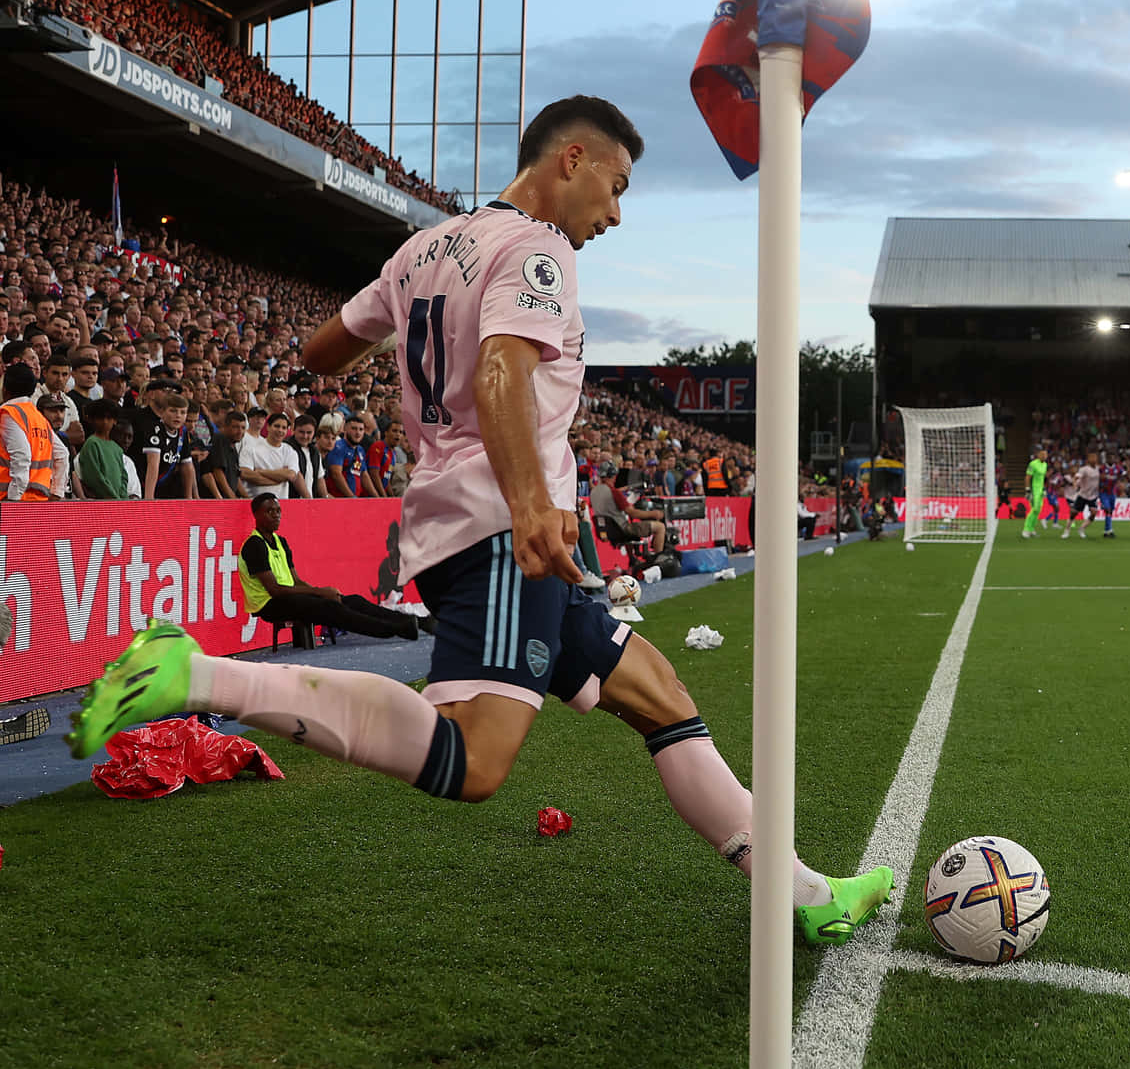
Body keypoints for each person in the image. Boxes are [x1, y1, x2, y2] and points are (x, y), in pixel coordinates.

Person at [67, 94, 892, 946]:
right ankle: (199, 676)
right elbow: (501, 372)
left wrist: (412, 348)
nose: (615, 212)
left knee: (659, 694)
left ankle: (801, 892)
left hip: (473, 519)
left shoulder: (423, 249)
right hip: (500, 527)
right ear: (569, 159)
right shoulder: (538, 251)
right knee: (475, 760)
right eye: (615, 186)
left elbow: (320, 351)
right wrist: (532, 505)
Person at [235, 493, 428, 640]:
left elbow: (295, 580)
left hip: (289, 595)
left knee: (350, 600)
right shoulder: (254, 545)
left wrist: (321, 592)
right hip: (269, 604)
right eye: (270, 511)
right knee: (329, 607)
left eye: (278, 511)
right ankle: (394, 630)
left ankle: (414, 622)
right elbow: (275, 591)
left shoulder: (280, 541)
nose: (276, 515)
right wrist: (319, 593)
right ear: (256, 515)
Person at [1, 364, 58, 501]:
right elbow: (62, 454)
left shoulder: (9, 414)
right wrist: (56, 493)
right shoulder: (38, 417)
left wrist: (13, 499)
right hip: (38, 499)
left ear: (5, 390)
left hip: (10, 499)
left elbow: (21, 456)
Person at [238, 411, 308, 499]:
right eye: (277, 426)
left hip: (281, 504)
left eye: (284, 428)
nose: (280, 430)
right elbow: (245, 474)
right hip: (255, 503)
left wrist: (261, 471)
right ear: (268, 427)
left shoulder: (289, 451)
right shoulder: (251, 448)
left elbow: (291, 475)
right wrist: (280, 478)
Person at [140, 392, 196, 499]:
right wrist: (149, 498)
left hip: (165, 486)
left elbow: (187, 466)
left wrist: (190, 498)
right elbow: (153, 464)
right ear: (162, 412)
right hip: (145, 484)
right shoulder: (155, 429)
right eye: (173, 411)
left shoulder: (182, 432)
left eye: (183, 412)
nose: (178, 416)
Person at [77, 397, 130, 499]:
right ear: (92, 419)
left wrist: (123, 499)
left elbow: (123, 476)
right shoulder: (92, 444)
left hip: (118, 503)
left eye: (109, 418)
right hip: (102, 503)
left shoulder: (116, 448)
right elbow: (94, 477)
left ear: (114, 420)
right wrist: (114, 498)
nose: (105, 422)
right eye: (100, 418)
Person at [200, 409, 248, 498]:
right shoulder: (220, 439)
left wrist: (247, 499)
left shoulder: (233, 446)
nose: (240, 431)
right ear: (225, 426)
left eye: (243, 428)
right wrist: (231, 497)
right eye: (235, 427)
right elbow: (218, 472)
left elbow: (236, 478)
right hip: (216, 501)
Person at [327, 416, 376, 497]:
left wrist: (377, 498)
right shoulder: (338, 447)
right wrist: (352, 498)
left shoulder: (360, 450)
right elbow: (336, 474)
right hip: (339, 501)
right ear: (345, 429)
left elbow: (364, 475)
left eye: (361, 429)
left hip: (353, 501)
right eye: (354, 428)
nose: (358, 433)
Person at [1064, 453, 1099, 540]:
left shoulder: (1098, 469)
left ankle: (1081, 529)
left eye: (1095, 458)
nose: (1094, 459)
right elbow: (1076, 477)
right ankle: (1067, 530)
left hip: (1093, 495)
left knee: (1094, 512)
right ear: (1088, 460)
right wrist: (1075, 484)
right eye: (1092, 458)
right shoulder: (1084, 469)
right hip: (1083, 494)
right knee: (1074, 513)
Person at [1021, 445, 1048, 539]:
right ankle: (1026, 529)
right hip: (1034, 490)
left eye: (1045, 454)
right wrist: (1028, 490)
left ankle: (1031, 529)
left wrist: (1044, 489)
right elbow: (1028, 477)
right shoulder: (1033, 464)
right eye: (1042, 454)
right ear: (1038, 455)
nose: (1044, 456)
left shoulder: (1045, 465)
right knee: (1035, 509)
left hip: (1040, 490)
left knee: (1038, 511)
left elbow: (1043, 478)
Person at [1097, 451, 1124, 538]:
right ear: (1107, 459)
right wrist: (1101, 485)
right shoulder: (1102, 468)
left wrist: (1120, 483)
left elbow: (1123, 475)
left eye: (1113, 458)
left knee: (1110, 512)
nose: (1112, 459)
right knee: (1108, 510)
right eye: (1110, 458)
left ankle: (1106, 531)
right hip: (1103, 493)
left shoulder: (1117, 468)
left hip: (1113, 493)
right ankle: (1110, 530)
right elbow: (1098, 479)